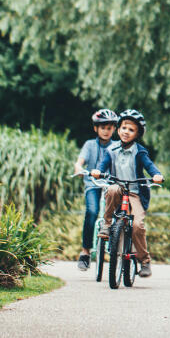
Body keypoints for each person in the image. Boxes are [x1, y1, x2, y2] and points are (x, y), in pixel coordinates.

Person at [92, 109, 164, 278]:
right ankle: (107, 224)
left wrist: (156, 175)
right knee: (111, 189)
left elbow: (149, 166)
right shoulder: (111, 150)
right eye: (124, 128)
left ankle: (144, 260)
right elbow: (103, 164)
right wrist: (98, 171)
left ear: (137, 134)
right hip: (118, 189)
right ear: (118, 130)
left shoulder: (140, 151)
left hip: (135, 193)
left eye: (131, 130)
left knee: (138, 226)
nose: (126, 132)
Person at [73, 108, 118, 271]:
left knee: (117, 214)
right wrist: (79, 168)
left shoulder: (117, 146)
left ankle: (117, 247)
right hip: (93, 184)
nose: (106, 131)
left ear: (114, 129)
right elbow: (80, 162)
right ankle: (85, 252)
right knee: (92, 212)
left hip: (111, 185)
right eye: (103, 127)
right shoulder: (89, 145)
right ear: (96, 128)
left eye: (109, 128)